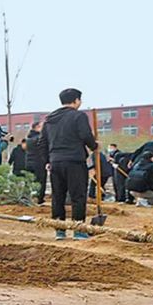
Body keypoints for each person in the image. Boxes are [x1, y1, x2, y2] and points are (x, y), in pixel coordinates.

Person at [42, 88, 97, 239]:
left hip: (55, 162)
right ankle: (79, 230)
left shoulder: (49, 119)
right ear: (76, 100)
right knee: (77, 196)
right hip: (74, 161)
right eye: (80, 100)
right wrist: (94, 146)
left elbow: (43, 142)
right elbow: (85, 135)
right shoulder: (78, 116)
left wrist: (47, 160)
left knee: (57, 196)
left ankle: (59, 230)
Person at [25, 120, 48, 204]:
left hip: (29, 162)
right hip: (39, 163)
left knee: (29, 181)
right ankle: (39, 199)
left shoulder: (28, 138)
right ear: (37, 127)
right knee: (41, 181)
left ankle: (27, 198)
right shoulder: (39, 138)